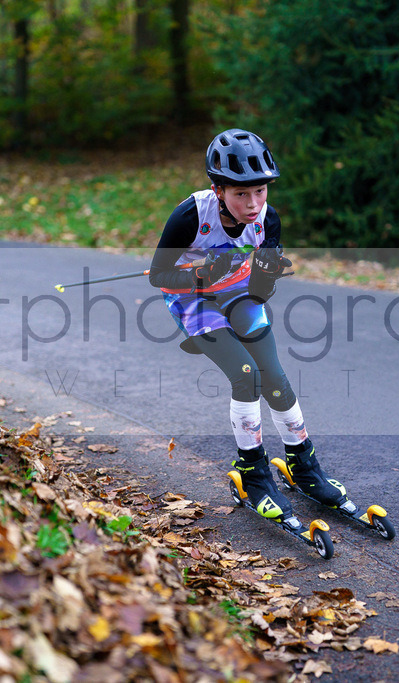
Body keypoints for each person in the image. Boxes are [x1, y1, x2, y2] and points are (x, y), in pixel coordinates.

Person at [148, 128, 356, 528]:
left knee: (275, 377)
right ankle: (253, 474)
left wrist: (268, 274)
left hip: (238, 295)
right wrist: (203, 273)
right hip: (193, 299)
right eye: (241, 194)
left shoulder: (268, 219)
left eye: (260, 191)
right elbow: (158, 276)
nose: (253, 203)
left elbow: (259, 294)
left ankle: (304, 467)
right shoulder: (191, 215)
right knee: (247, 376)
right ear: (218, 189)